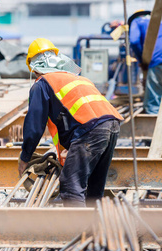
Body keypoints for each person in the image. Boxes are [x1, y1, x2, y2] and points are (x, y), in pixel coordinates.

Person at [18, 38, 124, 207]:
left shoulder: (42, 84)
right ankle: (93, 231)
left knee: (70, 187)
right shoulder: (76, 78)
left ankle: (78, 232)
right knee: (94, 188)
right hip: (112, 125)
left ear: (34, 69)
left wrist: (25, 157)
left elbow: (34, 125)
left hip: (90, 130)